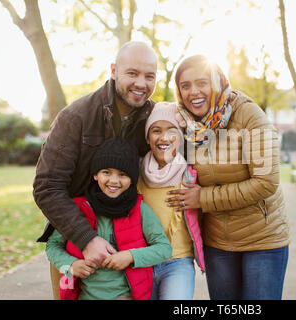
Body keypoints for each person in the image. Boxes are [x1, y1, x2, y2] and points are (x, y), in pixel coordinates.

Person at [33, 41, 159, 299]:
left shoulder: (153, 118)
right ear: (114, 70)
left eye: (149, 76)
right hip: (74, 239)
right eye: (132, 73)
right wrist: (86, 239)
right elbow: (47, 186)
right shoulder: (75, 117)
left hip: (126, 242)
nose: (141, 83)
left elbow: (187, 141)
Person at [166, 54, 291, 300]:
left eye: (202, 82)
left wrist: (203, 198)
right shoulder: (184, 124)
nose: (194, 92)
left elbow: (266, 183)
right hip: (218, 243)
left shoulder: (249, 115)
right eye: (185, 86)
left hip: (262, 241)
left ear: (218, 81)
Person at [45, 138, 172, 300]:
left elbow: (164, 249)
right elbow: (52, 246)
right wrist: (71, 265)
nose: (114, 180)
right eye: (106, 172)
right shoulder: (76, 209)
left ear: (132, 179)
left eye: (123, 174)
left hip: (126, 296)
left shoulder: (139, 209)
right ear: (95, 175)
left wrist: (130, 256)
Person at [137, 102, 205, 300]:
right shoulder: (137, 173)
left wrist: (204, 196)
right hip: (143, 261)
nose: (164, 137)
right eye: (156, 131)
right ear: (148, 138)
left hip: (178, 262)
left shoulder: (191, 174)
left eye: (171, 131)